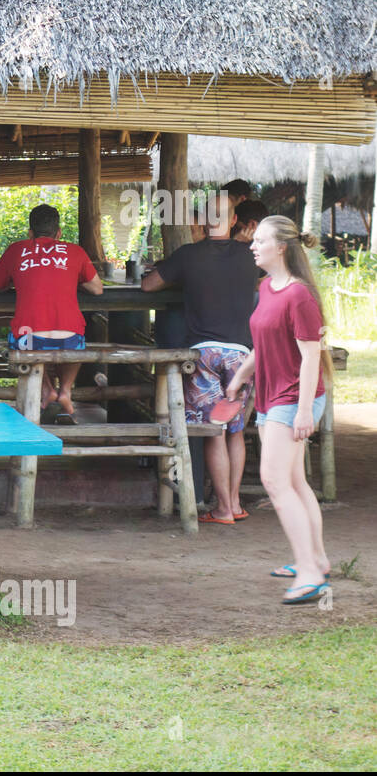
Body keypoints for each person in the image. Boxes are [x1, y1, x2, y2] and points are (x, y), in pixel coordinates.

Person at [226, 216, 333, 605]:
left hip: (294, 398)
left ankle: (308, 573)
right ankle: (316, 559)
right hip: (273, 396)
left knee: (274, 481)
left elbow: (310, 358)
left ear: (282, 247)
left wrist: (305, 412)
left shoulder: (299, 295)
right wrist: (239, 377)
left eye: (259, 241)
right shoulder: (267, 288)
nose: (252, 246)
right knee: (294, 481)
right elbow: (263, 343)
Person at [141, 192, 259, 524]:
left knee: (213, 431)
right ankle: (234, 504)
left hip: (205, 353)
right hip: (242, 354)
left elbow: (149, 286)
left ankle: (221, 509)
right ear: (234, 221)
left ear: (202, 220)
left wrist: (170, 273)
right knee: (236, 431)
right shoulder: (251, 254)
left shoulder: (188, 255)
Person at [0, 204, 103, 421]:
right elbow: (97, 288)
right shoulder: (75, 251)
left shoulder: (16, 249)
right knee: (77, 346)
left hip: (29, 340)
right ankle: (66, 390)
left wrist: (16, 281)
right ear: (58, 233)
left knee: (25, 347)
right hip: (71, 338)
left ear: (30, 233)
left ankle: (48, 389)